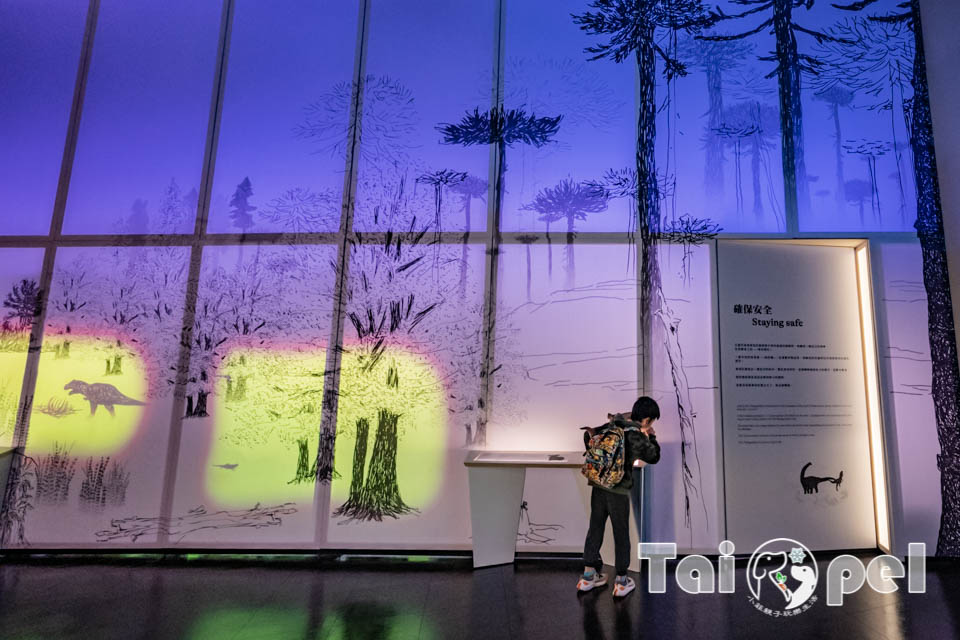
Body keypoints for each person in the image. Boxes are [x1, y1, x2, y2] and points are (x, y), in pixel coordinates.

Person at [577, 396, 661, 597]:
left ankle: (588, 577)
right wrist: (652, 437)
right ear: (647, 419)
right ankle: (622, 581)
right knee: (621, 532)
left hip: (598, 485)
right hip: (618, 489)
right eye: (651, 422)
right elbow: (654, 456)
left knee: (595, 527)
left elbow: (590, 436)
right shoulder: (636, 435)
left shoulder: (612, 425)